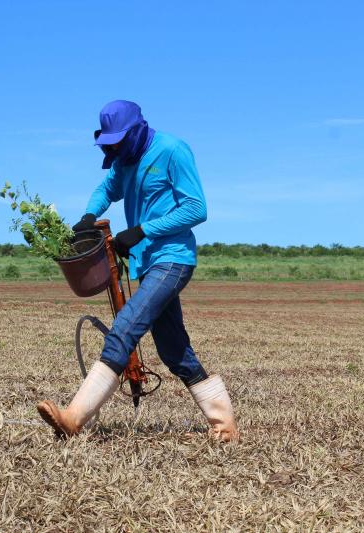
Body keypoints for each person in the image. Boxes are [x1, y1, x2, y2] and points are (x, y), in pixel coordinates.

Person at [36, 100, 239, 442]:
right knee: (174, 350)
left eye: (118, 141)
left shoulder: (172, 150)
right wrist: (88, 216)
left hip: (173, 258)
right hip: (147, 264)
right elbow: (106, 189)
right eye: (109, 143)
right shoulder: (124, 161)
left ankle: (74, 417)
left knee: (125, 327)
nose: (114, 149)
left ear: (135, 130)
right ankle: (224, 425)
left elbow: (196, 208)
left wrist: (143, 230)